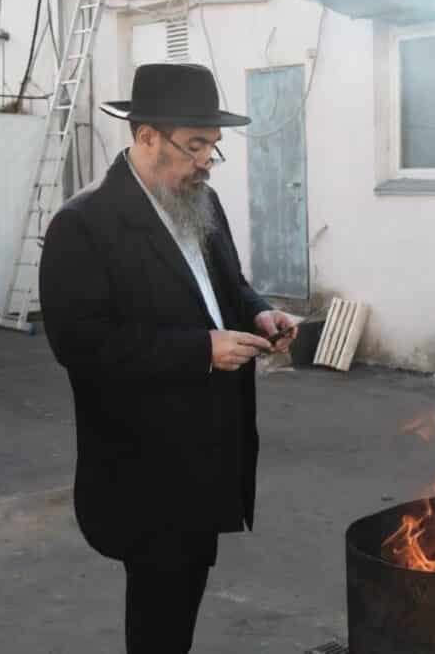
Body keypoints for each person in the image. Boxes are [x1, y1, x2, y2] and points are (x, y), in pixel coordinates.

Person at [39, 62, 298, 653]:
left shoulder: (198, 199)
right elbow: (80, 344)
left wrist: (259, 312)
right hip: (144, 463)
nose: (206, 161)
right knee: (158, 612)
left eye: (213, 146)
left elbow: (228, 286)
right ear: (146, 135)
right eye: (195, 145)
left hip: (209, 451)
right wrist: (201, 349)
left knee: (182, 597)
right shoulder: (83, 226)